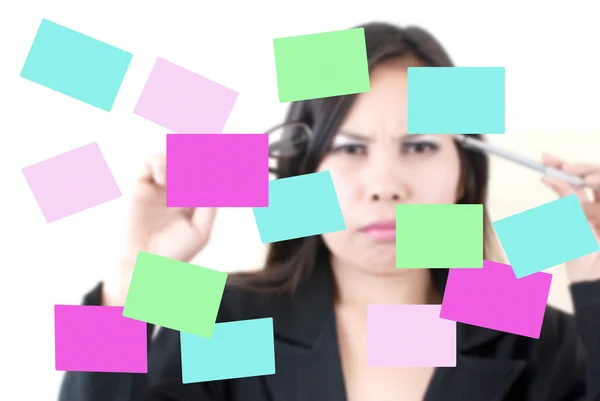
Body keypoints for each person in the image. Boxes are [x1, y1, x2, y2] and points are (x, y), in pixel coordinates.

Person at [58, 21, 600, 401]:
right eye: (349, 148)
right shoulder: (228, 318)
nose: (385, 185)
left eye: (418, 147)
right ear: (301, 173)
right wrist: (128, 286)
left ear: (465, 173)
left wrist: (595, 279)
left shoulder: (533, 337)